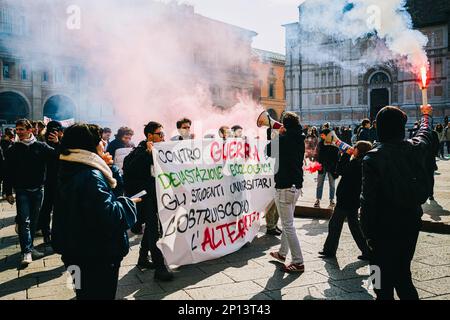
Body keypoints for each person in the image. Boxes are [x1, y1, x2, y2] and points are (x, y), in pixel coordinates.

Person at [52, 124, 137, 300]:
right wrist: (128, 203)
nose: (103, 143)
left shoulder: (70, 165)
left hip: (75, 250)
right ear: (89, 144)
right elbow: (110, 216)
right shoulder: (91, 175)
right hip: (97, 255)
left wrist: (108, 167)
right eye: (100, 140)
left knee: (84, 294)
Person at [361, 105, 434, 300]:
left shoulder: (372, 158)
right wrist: (426, 115)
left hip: (381, 229)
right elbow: (425, 132)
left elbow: (368, 201)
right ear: (401, 128)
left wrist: (367, 235)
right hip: (410, 223)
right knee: (403, 275)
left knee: (378, 281)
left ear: (380, 128)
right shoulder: (416, 147)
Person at [123, 122, 174, 281]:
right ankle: (160, 267)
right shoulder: (139, 151)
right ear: (150, 135)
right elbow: (130, 168)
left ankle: (143, 258)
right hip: (146, 198)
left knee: (152, 228)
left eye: (163, 134)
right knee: (154, 230)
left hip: (156, 195)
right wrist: (148, 153)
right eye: (160, 134)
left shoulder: (160, 149)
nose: (163, 137)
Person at [4, 119, 58, 266]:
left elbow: (57, 157)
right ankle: (26, 252)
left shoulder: (41, 147)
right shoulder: (12, 150)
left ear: (30, 130)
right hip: (22, 191)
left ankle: (31, 247)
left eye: (21, 129)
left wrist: (58, 142)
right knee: (24, 221)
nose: (18, 132)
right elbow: (7, 173)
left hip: (39, 190)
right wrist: (7, 192)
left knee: (34, 221)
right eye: (17, 129)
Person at [319, 141, 373, 260]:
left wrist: (346, 155)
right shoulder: (363, 162)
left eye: (356, 148)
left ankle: (329, 250)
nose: (353, 149)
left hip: (346, 199)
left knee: (335, 224)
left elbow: (340, 170)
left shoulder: (356, 163)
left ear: (360, 150)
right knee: (354, 226)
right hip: (352, 199)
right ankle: (367, 251)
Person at [266, 112, 306, 273]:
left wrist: (276, 133)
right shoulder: (299, 137)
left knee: (288, 226)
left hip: (284, 185)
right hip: (296, 185)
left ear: (285, 125)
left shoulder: (285, 139)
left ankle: (298, 262)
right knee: (287, 222)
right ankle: (282, 254)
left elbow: (269, 151)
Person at [37, 121, 64, 244]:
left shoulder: (63, 143)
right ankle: (46, 233)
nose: (53, 132)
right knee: (46, 208)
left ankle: (56, 233)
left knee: (59, 208)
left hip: (61, 180)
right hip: (47, 180)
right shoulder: (42, 142)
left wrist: (58, 142)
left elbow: (64, 156)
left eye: (56, 130)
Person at [314, 129, 339, 209]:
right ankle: (318, 199)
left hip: (332, 167)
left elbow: (337, 157)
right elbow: (317, 154)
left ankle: (331, 200)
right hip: (322, 166)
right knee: (319, 184)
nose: (321, 136)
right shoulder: (321, 143)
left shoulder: (334, 144)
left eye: (323, 134)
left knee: (332, 185)